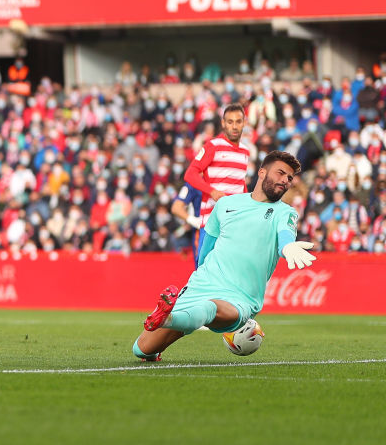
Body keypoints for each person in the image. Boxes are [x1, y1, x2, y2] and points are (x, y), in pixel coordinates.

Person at [132, 151, 317, 361]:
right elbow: (206, 249)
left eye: (290, 178)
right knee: (141, 350)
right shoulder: (225, 205)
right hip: (202, 284)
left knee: (208, 308)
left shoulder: (286, 213)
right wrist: (196, 282)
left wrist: (287, 247)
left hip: (240, 297)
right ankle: (171, 320)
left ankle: (166, 318)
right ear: (262, 172)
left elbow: (285, 235)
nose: (285, 180)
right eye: (281, 173)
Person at [184, 103, 250, 263]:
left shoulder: (245, 151)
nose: (234, 126)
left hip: (234, 226)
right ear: (223, 123)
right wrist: (212, 191)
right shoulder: (213, 146)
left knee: (231, 276)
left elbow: (241, 185)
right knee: (205, 274)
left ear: (244, 123)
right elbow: (190, 174)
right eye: (230, 121)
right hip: (211, 225)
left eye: (238, 121)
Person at [170, 182, 204, 267]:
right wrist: (194, 221)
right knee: (202, 266)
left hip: (224, 229)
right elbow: (176, 208)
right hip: (201, 230)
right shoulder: (195, 183)